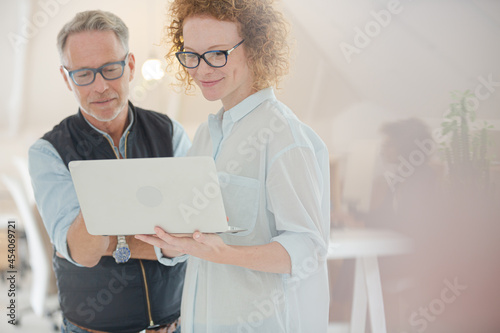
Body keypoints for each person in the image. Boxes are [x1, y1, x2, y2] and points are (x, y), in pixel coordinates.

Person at [136, 1, 331, 332]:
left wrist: (224, 253)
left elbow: (307, 248)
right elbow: (199, 239)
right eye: (192, 55)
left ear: (255, 48)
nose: (202, 69)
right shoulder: (205, 136)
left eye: (217, 54)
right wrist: (172, 244)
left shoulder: (283, 135)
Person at [29, 10, 190, 333]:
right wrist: (160, 241)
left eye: (110, 69)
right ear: (66, 78)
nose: (100, 86)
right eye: (84, 74)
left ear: (130, 66)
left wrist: (113, 241)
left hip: (175, 324)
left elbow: (190, 235)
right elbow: (82, 251)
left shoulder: (170, 132)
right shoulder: (47, 152)